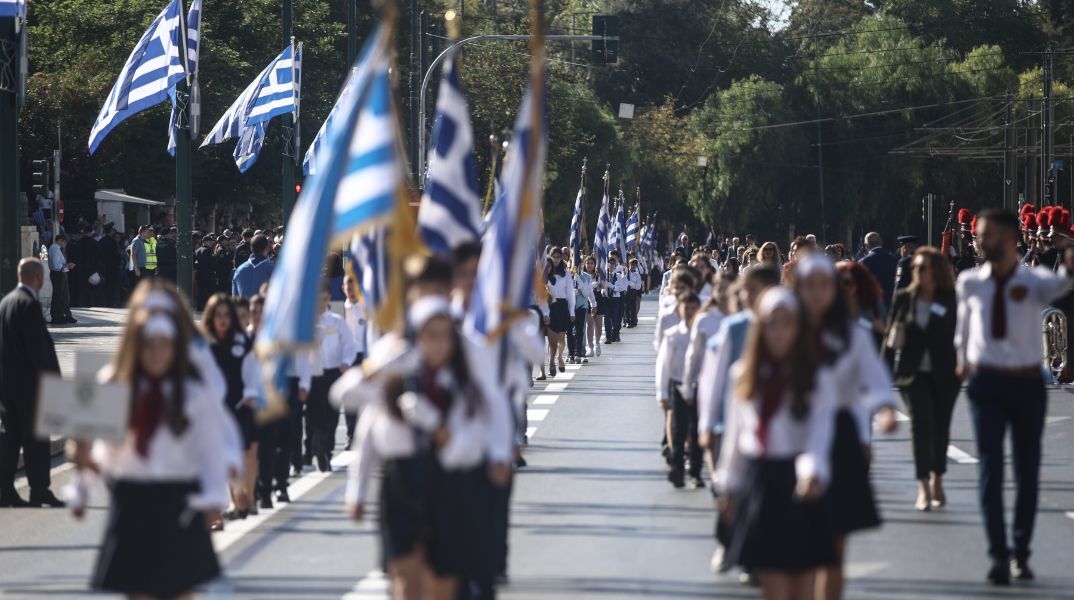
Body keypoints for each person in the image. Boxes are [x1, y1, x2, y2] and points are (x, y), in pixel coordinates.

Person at [345, 296, 499, 600]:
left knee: (441, 583)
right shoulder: (394, 380)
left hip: (448, 486)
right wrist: (357, 492)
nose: (437, 345)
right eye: (430, 335)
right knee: (405, 581)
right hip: (401, 485)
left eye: (445, 336)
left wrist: (437, 427)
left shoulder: (462, 384)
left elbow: (472, 447)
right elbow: (353, 411)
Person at [955, 208, 1074, 585]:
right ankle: (998, 554)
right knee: (990, 470)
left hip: (1025, 384)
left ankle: (1021, 550)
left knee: (1026, 470)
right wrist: (960, 361)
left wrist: (1069, 257)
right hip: (985, 384)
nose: (978, 242)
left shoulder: (1035, 280)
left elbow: (1063, 285)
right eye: (978, 236)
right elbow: (962, 330)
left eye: (985, 235)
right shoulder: (970, 282)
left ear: (1008, 239)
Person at [77, 307, 230, 599]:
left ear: (175, 349)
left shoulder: (191, 393)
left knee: (181, 590)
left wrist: (214, 498)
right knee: (138, 591)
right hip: (132, 501)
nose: (156, 353)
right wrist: (83, 488)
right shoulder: (119, 387)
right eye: (149, 345)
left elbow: (210, 449)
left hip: (179, 500)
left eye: (164, 345)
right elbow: (105, 453)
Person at [716, 287, 838, 599]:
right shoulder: (744, 374)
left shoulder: (814, 376)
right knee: (771, 577)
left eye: (787, 322)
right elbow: (735, 438)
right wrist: (728, 485)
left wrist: (811, 471)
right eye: (772, 322)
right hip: (762, 480)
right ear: (760, 327)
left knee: (801, 577)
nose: (780, 331)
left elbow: (819, 433)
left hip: (800, 479)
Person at [795, 253, 897, 600]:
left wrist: (884, 411)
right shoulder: (783, 329)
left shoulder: (852, 335)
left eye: (825, 285)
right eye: (810, 286)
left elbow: (874, 381)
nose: (818, 293)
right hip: (792, 436)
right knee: (798, 545)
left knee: (834, 545)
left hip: (840, 438)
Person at [883, 247, 958, 512]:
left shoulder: (950, 298)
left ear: (936, 271)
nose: (917, 272)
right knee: (920, 424)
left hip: (945, 372)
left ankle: (938, 477)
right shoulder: (904, 297)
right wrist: (883, 375)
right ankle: (923, 485)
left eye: (922, 268)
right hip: (911, 373)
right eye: (915, 267)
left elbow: (961, 333)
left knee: (940, 428)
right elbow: (891, 337)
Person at [0, 258, 64, 507]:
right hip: (30, 387)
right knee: (37, 440)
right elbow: (39, 351)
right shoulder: (29, 305)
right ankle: (39, 490)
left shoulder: (5, 303)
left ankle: (5, 490)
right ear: (38, 277)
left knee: (10, 438)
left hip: (7, 386)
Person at [201, 293, 259, 523]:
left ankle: (241, 493)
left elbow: (251, 372)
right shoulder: (203, 344)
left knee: (240, 454)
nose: (223, 320)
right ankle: (221, 507)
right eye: (218, 316)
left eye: (227, 315)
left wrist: (251, 394)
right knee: (217, 458)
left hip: (239, 406)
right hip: (214, 410)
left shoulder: (243, 342)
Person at [656, 292, 703, 488]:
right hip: (677, 385)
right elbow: (663, 365)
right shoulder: (673, 334)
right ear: (679, 309)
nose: (690, 312)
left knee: (696, 431)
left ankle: (695, 471)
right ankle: (677, 468)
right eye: (686, 308)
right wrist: (662, 393)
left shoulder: (704, 334)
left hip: (698, 386)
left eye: (694, 308)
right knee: (678, 427)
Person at [310, 287, 356, 471]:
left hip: (333, 373)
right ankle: (316, 446)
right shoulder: (308, 324)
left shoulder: (337, 322)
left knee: (332, 414)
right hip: (314, 374)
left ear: (328, 297)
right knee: (316, 414)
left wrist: (346, 362)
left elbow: (349, 344)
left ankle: (326, 452)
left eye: (323, 298)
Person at [545, 248, 575, 375]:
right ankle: (551, 362)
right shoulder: (545, 273)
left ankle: (559, 357)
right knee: (552, 339)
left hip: (562, 307)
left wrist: (572, 311)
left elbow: (570, 293)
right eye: (554, 256)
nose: (556, 259)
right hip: (550, 306)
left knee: (561, 338)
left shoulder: (566, 274)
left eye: (558, 257)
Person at [569, 256, 596, 364]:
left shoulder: (587, 277)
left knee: (580, 330)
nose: (577, 266)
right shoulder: (567, 276)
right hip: (570, 307)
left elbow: (586, 293)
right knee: (570, 331)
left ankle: (580, 353)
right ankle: (571, 353)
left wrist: (579, 281)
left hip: (581, 306)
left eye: (579, 264)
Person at [859, 231, 898, 306]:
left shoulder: (863, 262)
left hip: (871, 306)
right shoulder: (894, 260)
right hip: (890, 303)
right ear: (881, 243)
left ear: (866, 245)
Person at [232, 234, 275, 299]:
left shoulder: (239, 270)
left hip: (244, 308)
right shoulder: (273, 270)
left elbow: (235, 299)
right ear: (266, 248)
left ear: (251, 248)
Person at [48, 234, 76, 324]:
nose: (65, 244)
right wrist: (68, 265)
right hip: (58, 275)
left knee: (64, 295)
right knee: (58, 295)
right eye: (64, 242)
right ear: (59, 240)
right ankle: (56, 316)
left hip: (61, 274)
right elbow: (56, 266)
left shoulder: (57, 248)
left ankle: (63, 315)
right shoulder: (55, 248)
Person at [603, 254, 627, 343]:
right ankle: (608, 337)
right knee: (606, 318)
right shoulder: (603, 275)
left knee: (615, 318)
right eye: (609, 263)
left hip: (615, 299)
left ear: (615, 265)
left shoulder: (618, 276)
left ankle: (615, 334)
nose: (611, 265)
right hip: (606, 298)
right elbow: (601, 286)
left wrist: (611, 286)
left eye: (613, 263)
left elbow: (620, 288)